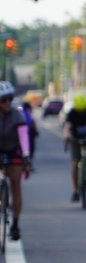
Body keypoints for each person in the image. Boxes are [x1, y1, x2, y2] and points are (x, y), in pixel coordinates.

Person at [0, 82, 31, 240]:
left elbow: (24, 137)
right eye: (3, 100)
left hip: (14, 150)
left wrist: (26, 156)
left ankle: (15, 224)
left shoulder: (17, 115)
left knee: (15, 184)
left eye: (10, 99)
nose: (7, 103)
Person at [63, 92, 86, 202]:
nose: (81, 113)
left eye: (83, 110)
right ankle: (75, 190)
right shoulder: (72, 112)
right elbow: (67, 127)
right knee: (75, 163)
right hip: (75, 138)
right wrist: (66, 136)